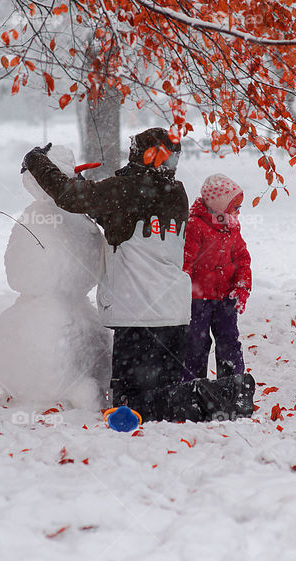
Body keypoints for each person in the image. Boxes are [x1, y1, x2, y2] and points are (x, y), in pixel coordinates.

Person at [22, 128, 195, 422]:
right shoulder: (176, 192)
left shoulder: (129, 188)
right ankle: (213, 400)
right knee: (167, 403)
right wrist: (90, 188)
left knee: (132, 409)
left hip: (139, 315)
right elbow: (117, 215)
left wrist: (37, 161)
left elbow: (70, 197)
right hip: (174, 314)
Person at [182, 174, 252, 383]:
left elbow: (242, 259)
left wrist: (242, 287)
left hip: (225, 298)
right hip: (198, 300)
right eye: (235, 207)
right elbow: (186, 263)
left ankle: (232, 385)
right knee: (196, 343)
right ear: (219, 206)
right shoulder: (195, 226)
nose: (239, 212)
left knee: (229, 341)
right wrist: (182, 293)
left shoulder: (231, 226)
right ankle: (192, 386)